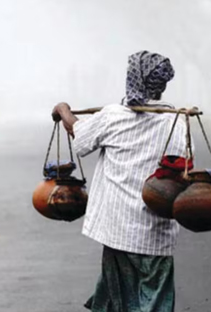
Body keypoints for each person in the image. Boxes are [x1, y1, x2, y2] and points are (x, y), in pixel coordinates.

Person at [52, 50, 188, 311]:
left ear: (132, 79)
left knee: (117, 300)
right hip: (155, 232)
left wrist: (63, 109)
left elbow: (78, 133)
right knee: (154, 302)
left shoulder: (112, 116)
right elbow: (181, 169)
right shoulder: (175, 122)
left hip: (118, 230)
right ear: (161, 85)